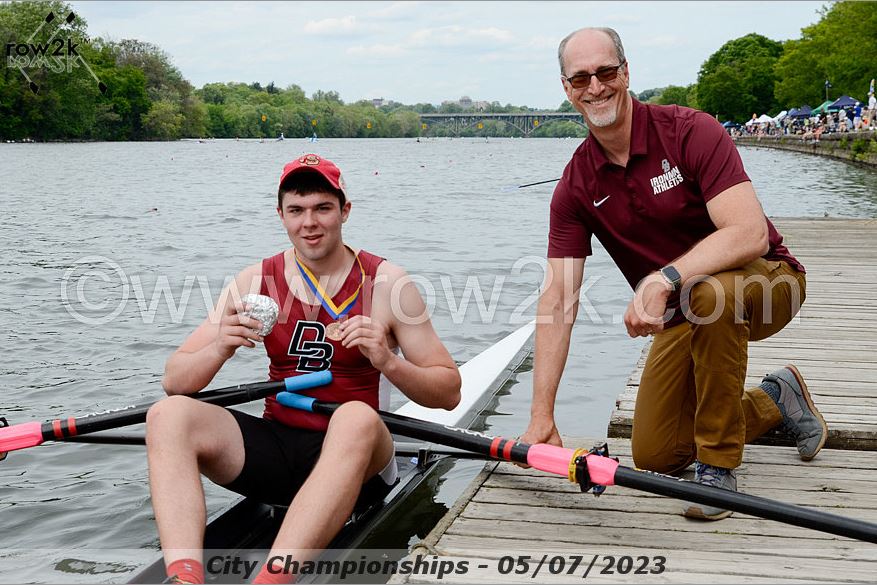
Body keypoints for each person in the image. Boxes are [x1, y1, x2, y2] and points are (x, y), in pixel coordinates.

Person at [520, 27, 827, 521]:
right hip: (689, 311)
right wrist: (541, 417)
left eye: (605, 72)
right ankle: (776, 399)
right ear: (566, 88)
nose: (595, 87)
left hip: (769, 282)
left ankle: (719, 470)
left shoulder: (691, 130)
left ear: (626, 72)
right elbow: (557, 301)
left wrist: (663, 278)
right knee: (656, 454)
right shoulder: (576, 185)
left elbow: (747, 232)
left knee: (712, 293)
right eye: (581, 78)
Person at [145, 154, 461, 583]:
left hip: (359, 460)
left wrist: (388, 361)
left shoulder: (388, 284)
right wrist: (220, 347)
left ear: (344, 210)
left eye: (322, 208)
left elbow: (448, 391)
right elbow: (174, 381)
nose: (308, 223)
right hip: (278, 450)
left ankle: (274, 579)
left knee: (354, 418)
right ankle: (185, 577)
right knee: (168, 416)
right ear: (281, 215)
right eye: (296, 210)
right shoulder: (255, 279)